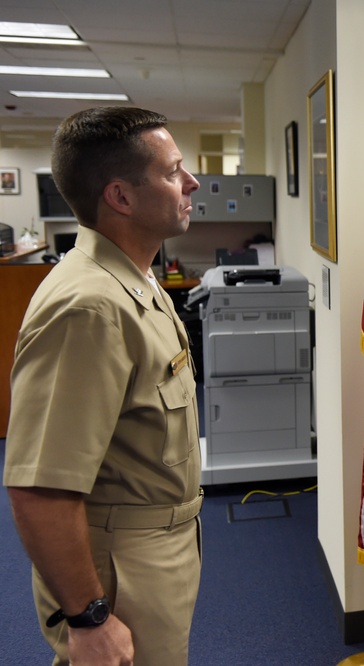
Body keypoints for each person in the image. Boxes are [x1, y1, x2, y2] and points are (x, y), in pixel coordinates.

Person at [4, 107, 202, 666]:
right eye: (172, 172)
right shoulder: (89, 306)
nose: (191, 183)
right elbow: (39, 488)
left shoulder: (138, 279)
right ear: (121, 197)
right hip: (118, 570)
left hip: (159, 545)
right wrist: (89, 617)